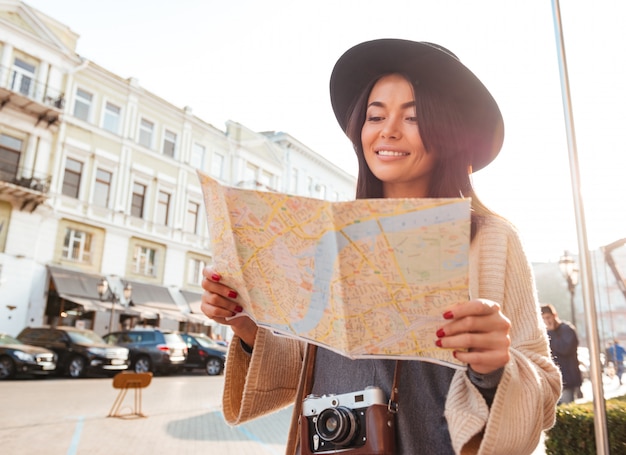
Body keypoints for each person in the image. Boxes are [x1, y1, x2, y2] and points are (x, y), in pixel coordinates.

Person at [201, 39, 561, 454]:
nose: (388, 130)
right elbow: (315, 364)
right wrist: (247, 325)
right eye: (376, 116)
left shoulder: (491, 237)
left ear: (445, 130)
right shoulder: (330, 239)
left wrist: (497, 366)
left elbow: (545, 390)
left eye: (413, 117)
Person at [541, 304, 583, 404]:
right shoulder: (544, 333)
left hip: (567, 381)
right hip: (551, 382)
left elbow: (565, 349)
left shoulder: (567, 329)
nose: (546, 321)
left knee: (566, 407)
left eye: (548, 317)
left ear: (554, 315)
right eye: (543, 318)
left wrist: (550, 333)